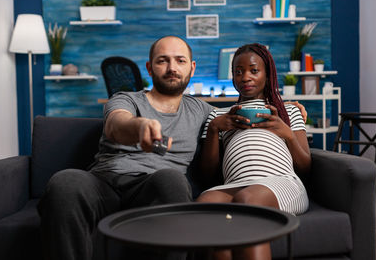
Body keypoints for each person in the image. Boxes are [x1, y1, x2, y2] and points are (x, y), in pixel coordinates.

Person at [37, 36, 307, 260]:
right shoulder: (126, 99)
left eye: (179, 61)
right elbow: (115, 124)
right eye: (162, 60)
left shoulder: (203, 111)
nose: (171, 68)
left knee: (172, 179)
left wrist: (290, 108)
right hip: (104, 182)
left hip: (154, 188)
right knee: (65, 181)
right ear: (150, 67)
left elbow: (236, 115)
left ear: (191, 68)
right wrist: (139, 127)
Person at [196, 43, 311, 260]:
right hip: (234, 185)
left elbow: (306, 166)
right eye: (238, 72)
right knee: (205, 205)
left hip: (281, 182)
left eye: (254, 70)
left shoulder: (289, 111)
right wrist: (214, 129)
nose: (245, 77)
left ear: (268, 75)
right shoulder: (218, 117)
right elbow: (206, 176)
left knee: (247, 200)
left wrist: (286, 133)